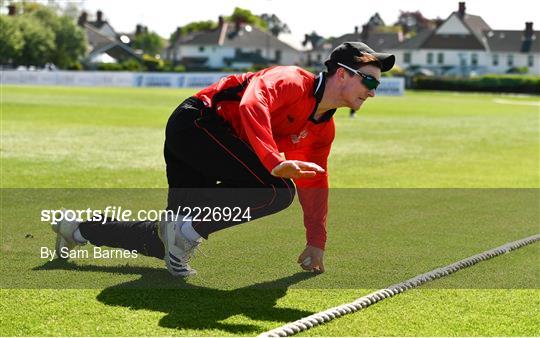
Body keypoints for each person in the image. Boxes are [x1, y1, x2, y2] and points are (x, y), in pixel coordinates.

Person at [51, 42, 395, 277]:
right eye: (368, 80)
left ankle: (76, 228)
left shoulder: (324, 130)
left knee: (165, 239)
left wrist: (316, 241)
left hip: (210, 141)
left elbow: (316, 180)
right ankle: (186, 230)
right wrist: (274, 161)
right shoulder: (291, 79)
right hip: (197, 123)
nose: (373, 91)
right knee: (276, 190)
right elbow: (251, 104)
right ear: (342, 74)